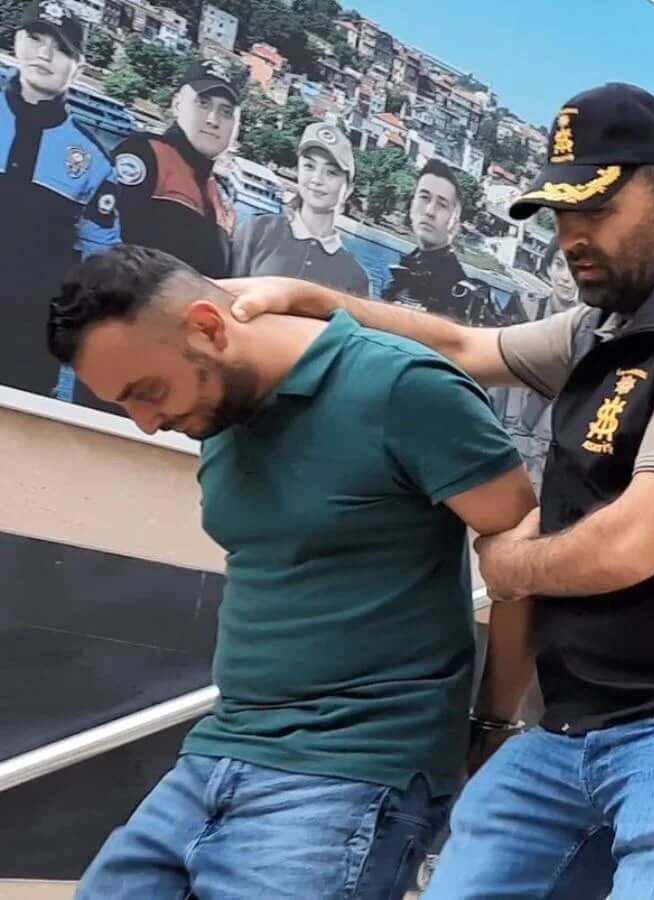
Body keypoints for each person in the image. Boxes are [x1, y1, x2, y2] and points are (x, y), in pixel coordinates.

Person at [224, 81, 654, 900]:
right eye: (559, 214)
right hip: (576, 724)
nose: (570, 237)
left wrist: (509, 566)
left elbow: (634, 542)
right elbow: (462, 347)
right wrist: (312, 301)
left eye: (595, 211)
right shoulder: (601, 331)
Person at [50, 244, 536, 900]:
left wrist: (496, 723)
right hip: (218, 750)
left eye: (148, 392)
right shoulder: (216, 410)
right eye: (124, 405)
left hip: (354, 767)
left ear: (208, 327)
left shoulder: (403, 387)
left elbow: (523, 558)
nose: (147, 424)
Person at [0, 0, 121, 400]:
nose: (45, 54)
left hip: (26, 345)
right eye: (36, 38)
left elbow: (100, 263)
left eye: (61, 48)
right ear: (17, 41)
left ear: (78, 67)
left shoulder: (94, 162)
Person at [112, 59, 242, 278]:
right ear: (177, 104)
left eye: (226, 112)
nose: (213, 120)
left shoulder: (222, 199)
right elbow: (100, 240)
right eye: (203, 103)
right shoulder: (146, 155)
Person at [230, 120, 371, 296]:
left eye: (331, 172)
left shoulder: (356, 277)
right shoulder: (257, 231)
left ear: (348, 189)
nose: (317, 179)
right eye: (309, 166)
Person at [490, 236, 581, 486]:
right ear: (548, 267)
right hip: (501, 435)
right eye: (560, 264)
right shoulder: (523, 308)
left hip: (547, 453)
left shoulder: (592, 330)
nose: (566, 277)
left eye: (575, 267)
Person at [383, 159, 473, 321]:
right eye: (424, 197)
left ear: (455, 220)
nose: (430, 211)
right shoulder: (401, 271)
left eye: (442, 204)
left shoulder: (457, 292)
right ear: (412, 205)